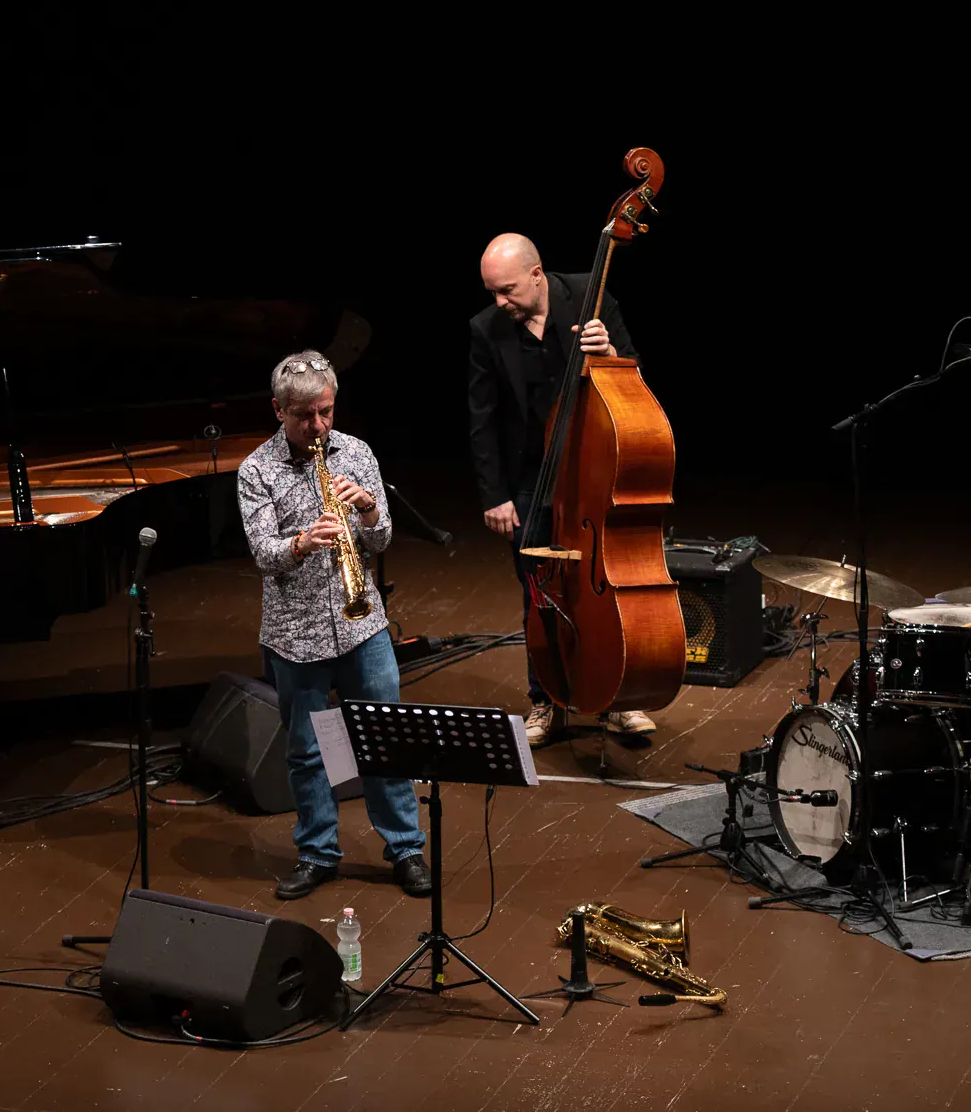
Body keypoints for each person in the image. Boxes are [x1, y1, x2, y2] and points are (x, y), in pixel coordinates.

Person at [236, 350, 432, 901]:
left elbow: (381, 540)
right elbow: (262, 555)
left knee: (383, 739)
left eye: (326, 412)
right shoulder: (256, 470)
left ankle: (405, 849)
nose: (318, 426)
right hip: (295, 633)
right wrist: (300, 543)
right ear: (279, 409)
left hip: (361, 622)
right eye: (304, 416)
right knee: (306, 751)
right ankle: (319, 852)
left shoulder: (356, 452)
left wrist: (370, 509)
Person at [468, 232, 656, 747]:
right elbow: (482, 420)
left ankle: (618, 700)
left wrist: (610, 352)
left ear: (536, 274)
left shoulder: (593, 298)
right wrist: (494, 494)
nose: (499, 302)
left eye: (507, 290)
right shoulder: (487, 330)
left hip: (594, 472)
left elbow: (632, 376)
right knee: (538, 594)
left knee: (607, 589)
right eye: (492, 293)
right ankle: (545, 701)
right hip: (530, 476)